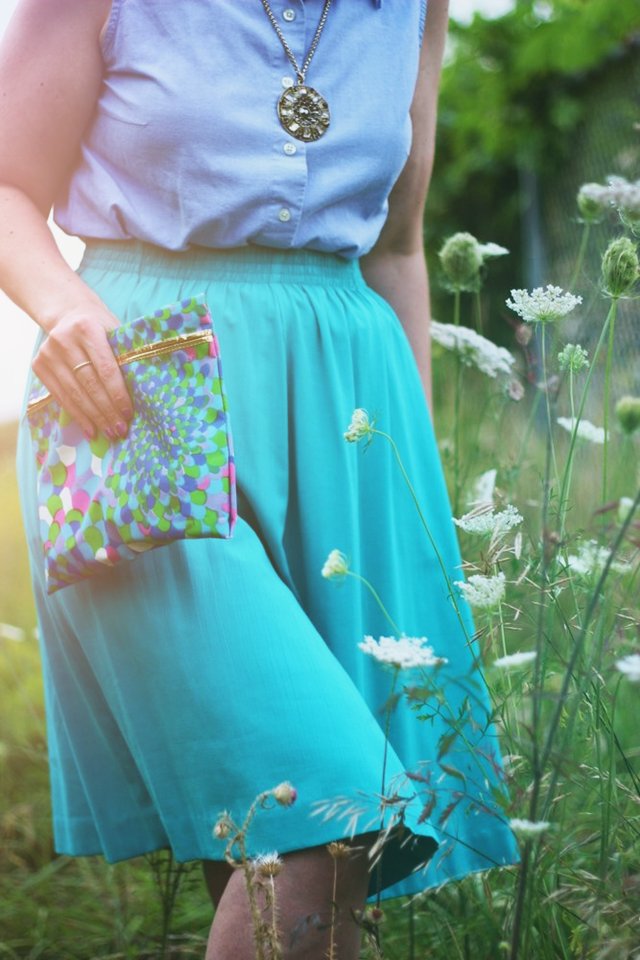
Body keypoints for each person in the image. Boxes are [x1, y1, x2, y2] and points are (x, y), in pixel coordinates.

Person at [0, 1, 520, 957]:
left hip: (349, 412)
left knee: (273, 845)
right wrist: (62, 301)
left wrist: (410, 483)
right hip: (144, 404)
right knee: (330, 813)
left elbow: (397, 247)